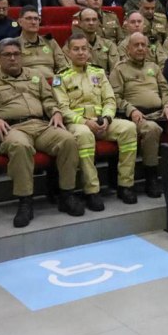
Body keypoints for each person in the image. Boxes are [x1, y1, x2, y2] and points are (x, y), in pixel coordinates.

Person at [0, 38, 84, 227]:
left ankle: (66, 195)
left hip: (41, 124)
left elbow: (49, 100)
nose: (12, 58)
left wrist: (56, 113)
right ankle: (25, 201)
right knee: (20, 146)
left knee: (68, 139)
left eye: (16, 54)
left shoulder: (35, 75)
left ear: (22, 57)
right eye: (7, 55)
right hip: (12, 127)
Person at [54, 33, 139, 210]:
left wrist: (107, 118)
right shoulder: (60, 77)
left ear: (89, 51)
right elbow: (63, 108)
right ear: (68, 52)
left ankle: (125, 185)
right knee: (85, 135)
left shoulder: (98, 73)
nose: (80, 53)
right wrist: (85, 122)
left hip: (102, 121)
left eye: (84, 49)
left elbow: (110, 100)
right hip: (77, 125)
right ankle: (92, 191)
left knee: (129, 128)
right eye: (76, 49)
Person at [110, 33, 168, 198]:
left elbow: (165, 90)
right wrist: (130, 109)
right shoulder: (120, 69)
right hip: (136, 116)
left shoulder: (154, 67)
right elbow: (114, 98)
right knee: (152, 129)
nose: (140, 48)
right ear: (128, 48)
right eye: (136, 45)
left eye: (143, 45)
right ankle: (151, 178)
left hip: (160, 113)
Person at [17, 6, 69, 77]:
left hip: (52, 81)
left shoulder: (50, 42)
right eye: (29, 18)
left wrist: (59, 81)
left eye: (36, 19)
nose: (33, 22)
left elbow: (63, 66)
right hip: (27, 83)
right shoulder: (14, 45)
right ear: (20, 22)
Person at [72, 7, 120, 75]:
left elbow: (115, 71)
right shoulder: (72, 46)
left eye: (94, 20)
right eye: (87, 20)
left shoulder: (109, 45)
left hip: (105, 82)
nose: (91, 23)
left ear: (98, 23)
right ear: (80, 23)